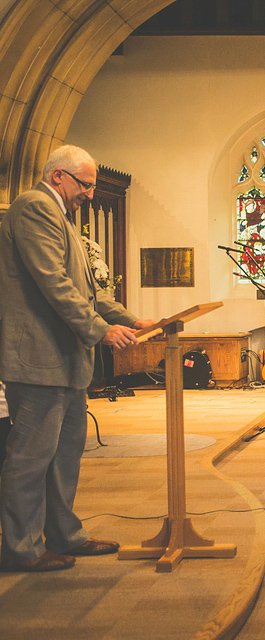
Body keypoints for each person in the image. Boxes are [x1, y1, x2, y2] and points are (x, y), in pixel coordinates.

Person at [0, 145, 154, 573]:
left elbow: (85, 289)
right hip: (38, 359)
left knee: (64, 455)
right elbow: (53, 283)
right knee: (31, 459)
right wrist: (100, 330)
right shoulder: (34, 207)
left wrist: (132, 319)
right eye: (86, 184)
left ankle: (64, 535)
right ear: (58, 177)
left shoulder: (64, 219)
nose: (90, 194)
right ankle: (22, 549)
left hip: (64, 361)